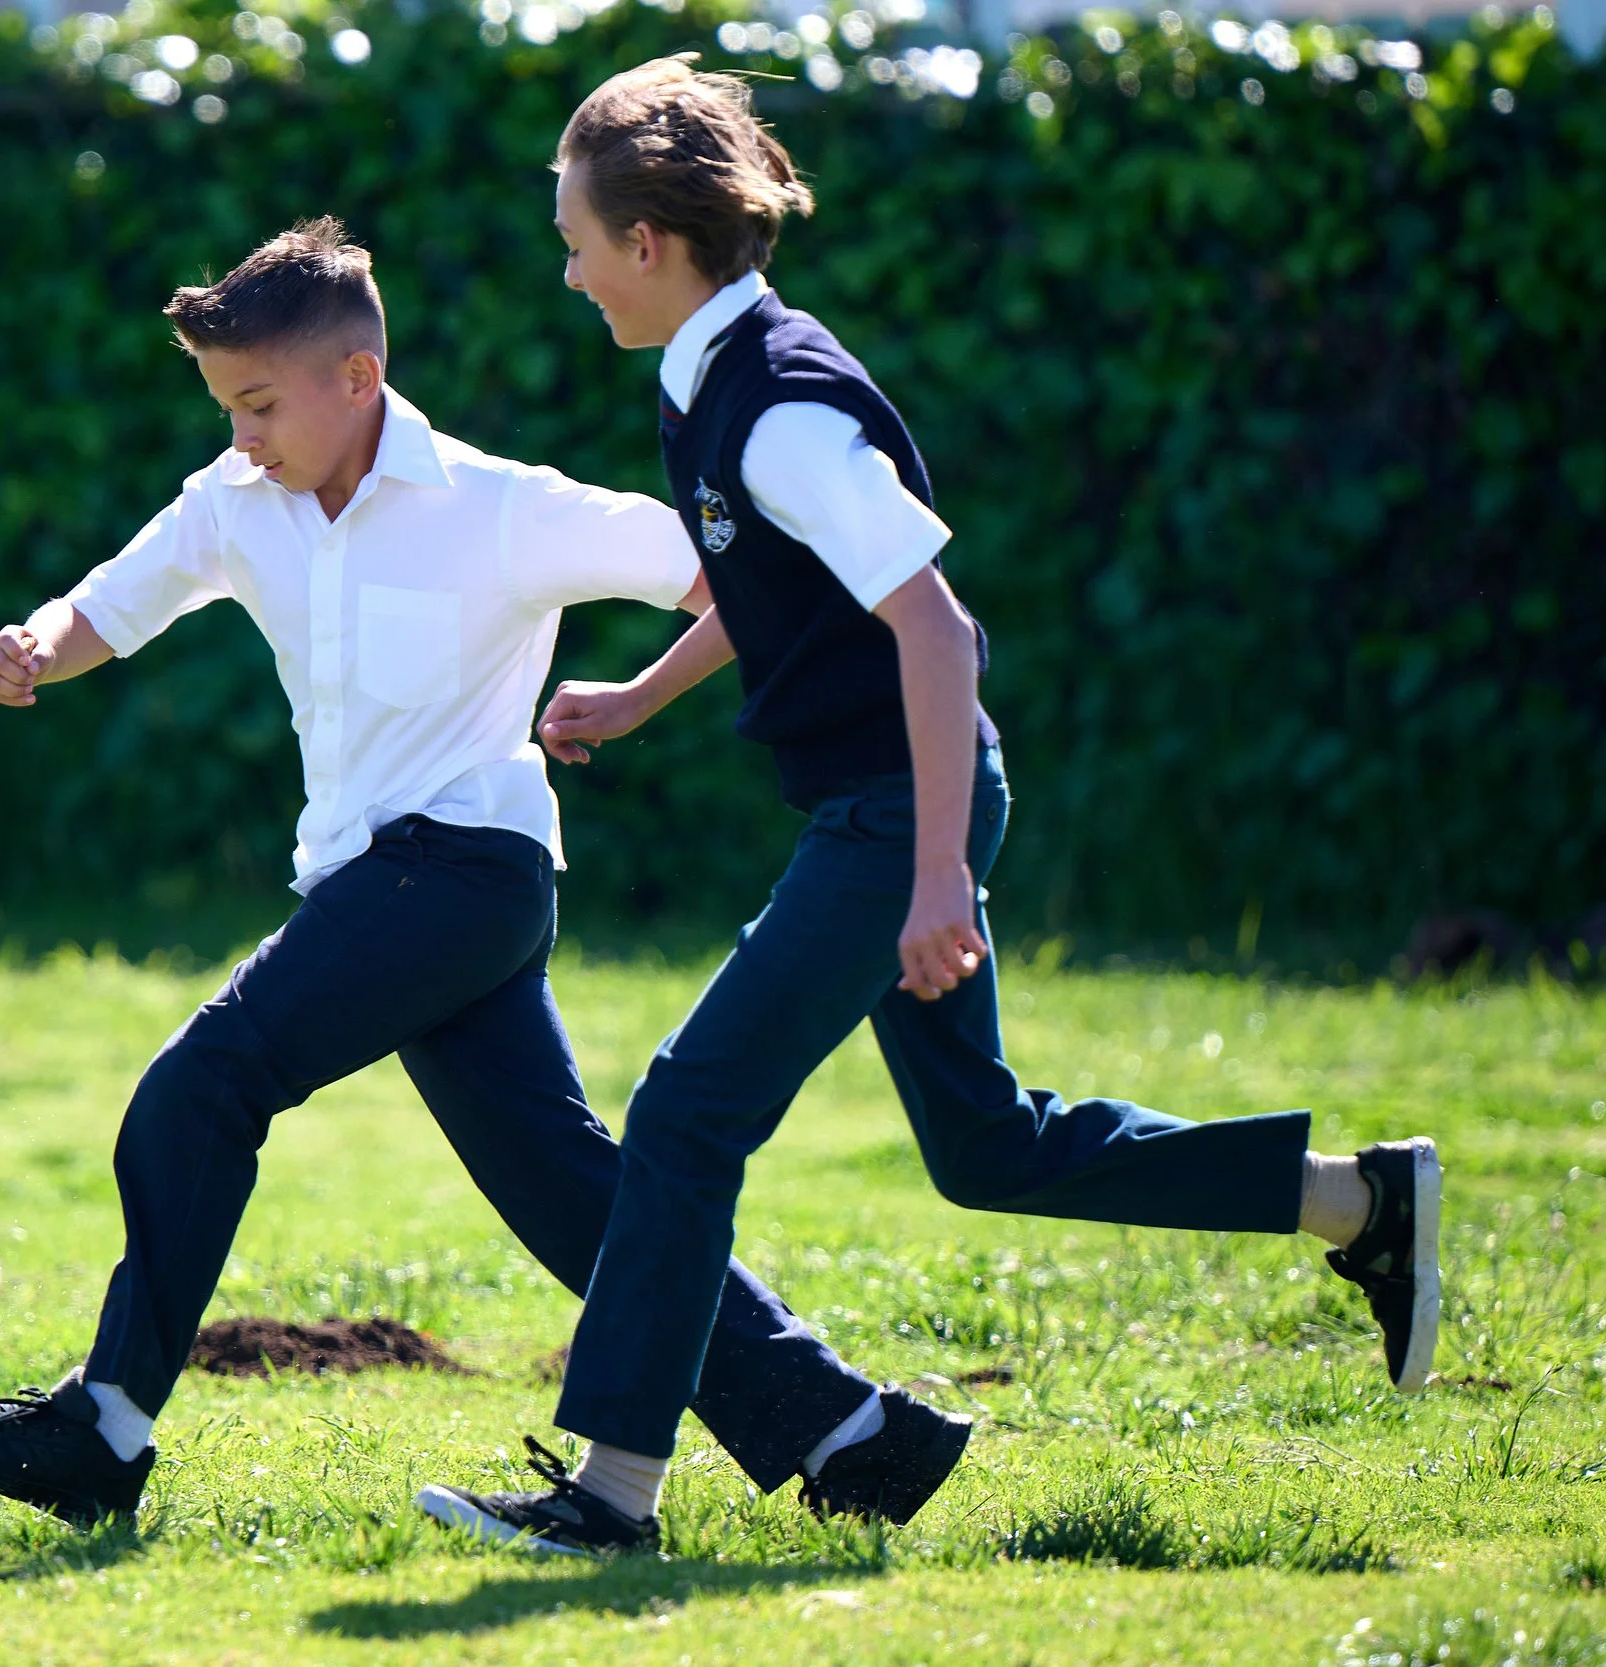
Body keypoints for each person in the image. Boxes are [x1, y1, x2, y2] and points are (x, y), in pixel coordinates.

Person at [412, 58, 1443, 1558]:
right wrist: (641, 695)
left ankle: (612, 1495)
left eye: (576, 239)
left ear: (649, 242)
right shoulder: (709, 379)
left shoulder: (783, 411)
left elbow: (938, 632)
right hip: (886, 805)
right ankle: (1358, 1204)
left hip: (903, 809)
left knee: (690, 1110)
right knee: (987, 1146)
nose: (566, 272)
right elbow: (779, 581)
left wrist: (939, 873)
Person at [0, 217, 966, 1533]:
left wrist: (640, 695)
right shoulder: (232, 505)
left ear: (358, 379)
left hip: (465, 876)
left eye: (259, 404)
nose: (243, 435)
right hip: (384, 896)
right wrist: (33, 645)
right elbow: (108, 610)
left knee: (201, 1085)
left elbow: (738, 576)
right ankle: (849, 1429)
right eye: (226, 408)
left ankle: (104, 1426)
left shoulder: (504, 508)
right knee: (576, 1199)